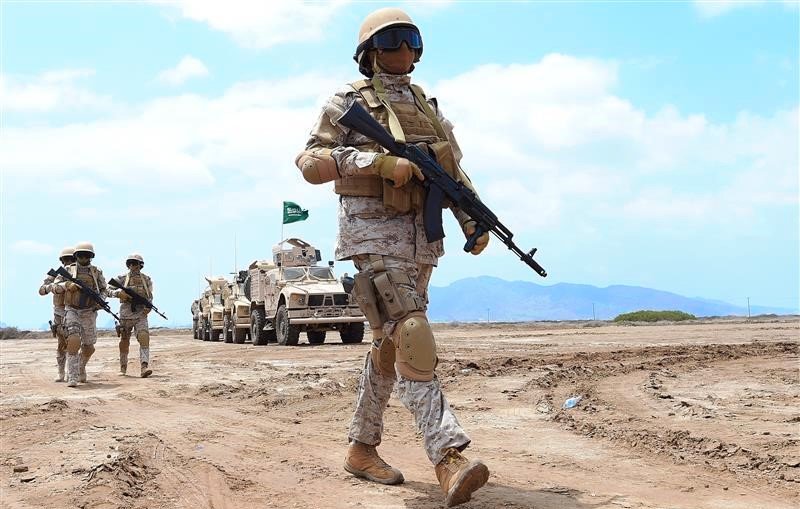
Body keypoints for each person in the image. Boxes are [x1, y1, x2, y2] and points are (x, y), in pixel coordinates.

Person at [296, 8, 491, 507]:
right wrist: (377, 161)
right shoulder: (347, 102)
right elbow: (310, 161)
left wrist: (475, 220)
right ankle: (448, 456)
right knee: (413, 335)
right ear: (368, 52)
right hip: (372, 235)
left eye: (411, 40)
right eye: (391, 41)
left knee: (389, 347)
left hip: (422, 239)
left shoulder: (427, 107)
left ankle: (361, 447)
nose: (403, 50)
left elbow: (454, 173)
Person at [53, 242, 107, 387]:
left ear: (91, 256)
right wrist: (67, 285)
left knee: (89, 347)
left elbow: (104, 289)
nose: (84, 258)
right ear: (76, 256)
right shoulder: (67, 270)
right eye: (81, 255)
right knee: (73, 340)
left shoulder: (96, 272)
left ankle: (81, 366)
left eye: (87, 255)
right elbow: (54, 287)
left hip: (89, 311)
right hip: (72, 309)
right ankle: (72, 376)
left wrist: (100, 300)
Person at [109, 253, 154, 378]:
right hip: (125, 314)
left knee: (144, 337)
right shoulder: (122, 278)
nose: (133, 266)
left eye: (136, 263)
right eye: (131, 263)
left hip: (141, 314)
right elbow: (106, 290)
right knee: (124, 341)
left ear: (141, 265)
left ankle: (144, 366)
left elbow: (150, 296)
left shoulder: (146, 280)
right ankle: (123, 367)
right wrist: (119, 294)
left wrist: (149, 306)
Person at [38, 246, 75, 382]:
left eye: (71, 259)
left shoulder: (80, 274)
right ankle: (61, 372)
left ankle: (74, 372)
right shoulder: (55, 275)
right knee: (61, 343)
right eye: (66, 259)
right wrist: (55, 286)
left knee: (75, 343)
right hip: (59, 312)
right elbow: (41, 290)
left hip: (76, 312)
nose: (68, 262)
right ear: (62, 261)